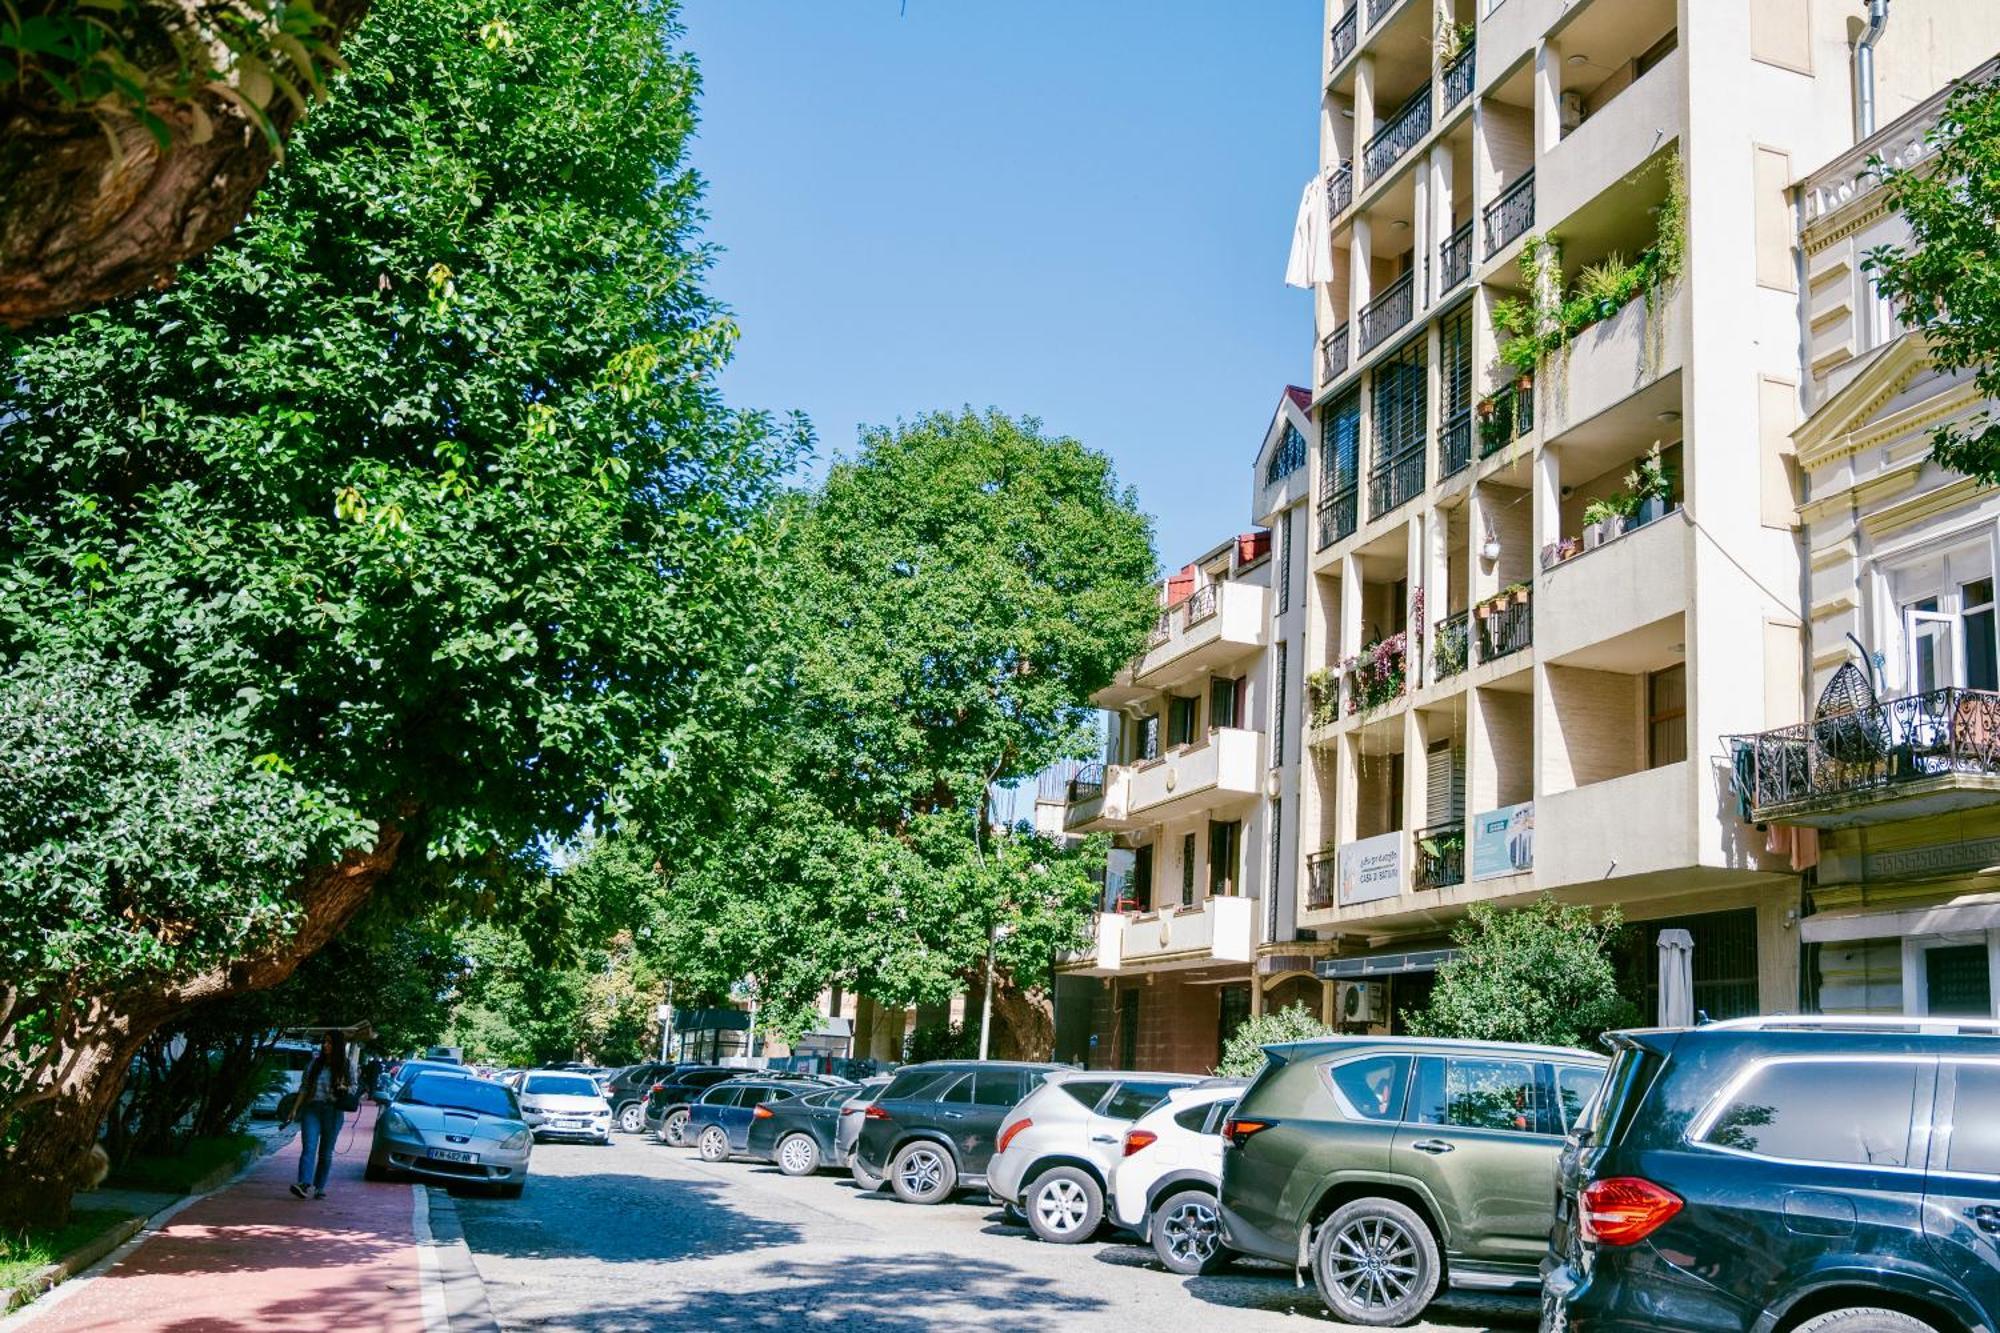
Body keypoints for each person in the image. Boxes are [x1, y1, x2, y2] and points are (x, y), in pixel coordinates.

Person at [289, 1032, 351, 1200]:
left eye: (330, 1042)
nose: (325, 1045)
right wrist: (295, 1109)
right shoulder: (315, 1064)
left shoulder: (346, 1066)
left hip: (333, 1112)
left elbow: (354, 1089)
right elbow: (304, 1087)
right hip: (312, 1109)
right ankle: (303, 1183)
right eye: (324, 1042)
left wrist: (344, 1087)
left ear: (337, 1046)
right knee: (308, 1147)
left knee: (325, 1152)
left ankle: (320, 1186)